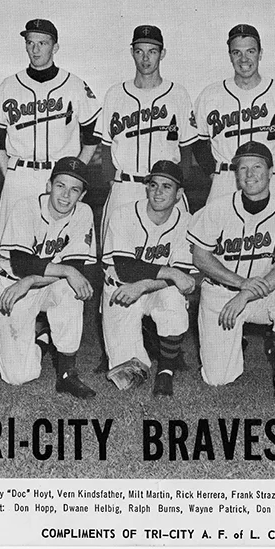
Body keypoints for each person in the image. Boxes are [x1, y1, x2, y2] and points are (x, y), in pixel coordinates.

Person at [187, 141, 275, 407]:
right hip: (221, 294)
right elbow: (200, 257)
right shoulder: (217, 209)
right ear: (236, 174)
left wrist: (245, 294)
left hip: (263, 295)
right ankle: (233, 343)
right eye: (243, 168)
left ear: (270, 171)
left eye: (257, 167)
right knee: (217, 378)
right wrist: (241, 285)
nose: (250, 174)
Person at [0, 156, 99, 399]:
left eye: (74, 190)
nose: (65, 195)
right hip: (11, 283)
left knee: (72, 289)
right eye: (60, 185)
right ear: (49, 185)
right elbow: (20, 264)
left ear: (81, 196)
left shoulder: (83, 212)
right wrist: (64, 271)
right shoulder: (25, 207)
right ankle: (42, 340)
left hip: (39, 283)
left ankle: (66, 374)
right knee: (18, 376)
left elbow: (74, 265)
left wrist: (33, 280)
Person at [0, 19, 101, 225]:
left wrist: (74, 171)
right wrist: (10, 174)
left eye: (43, 43)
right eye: (30, 43)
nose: (35, 49)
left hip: (60, 175)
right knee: (11, 249)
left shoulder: (74, 85)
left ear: (55, 47)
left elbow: (92, 136)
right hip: (19, 175)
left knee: (55, 245)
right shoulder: (9, 85)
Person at [101, 160, 195, 396]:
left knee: (174, 299)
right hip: (121, 291)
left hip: (153, 290)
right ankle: (145, 340)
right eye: (153, 185)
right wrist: (171, 272)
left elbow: (183, 275)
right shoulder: (124, 214)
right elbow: (124, 268)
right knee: (128, 375)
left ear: (179, 193)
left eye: (166, 186)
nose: (158, 192)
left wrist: (144, 285)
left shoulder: (186, 221)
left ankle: (166, 372)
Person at [96, 25, 198, 240]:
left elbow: (187, 147)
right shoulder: (115, 94)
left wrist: (179, 183)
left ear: (162, 54)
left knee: (172, 252)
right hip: (126, 186)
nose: (145, 58)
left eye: (152, 51)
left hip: (166, 187)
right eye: (140, 51)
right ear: (132, 52)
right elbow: (106, 146)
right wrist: (112, 182)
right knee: (115, 258)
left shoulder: (177, 94)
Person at [192, 24, 275, 204]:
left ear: (260, 53)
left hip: (270, 179)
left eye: (250, 51)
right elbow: (197, 141)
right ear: (230, 56)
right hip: (226, 178)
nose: (244, 59)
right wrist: (213, 173)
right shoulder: (210, 95)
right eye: (236, 52)